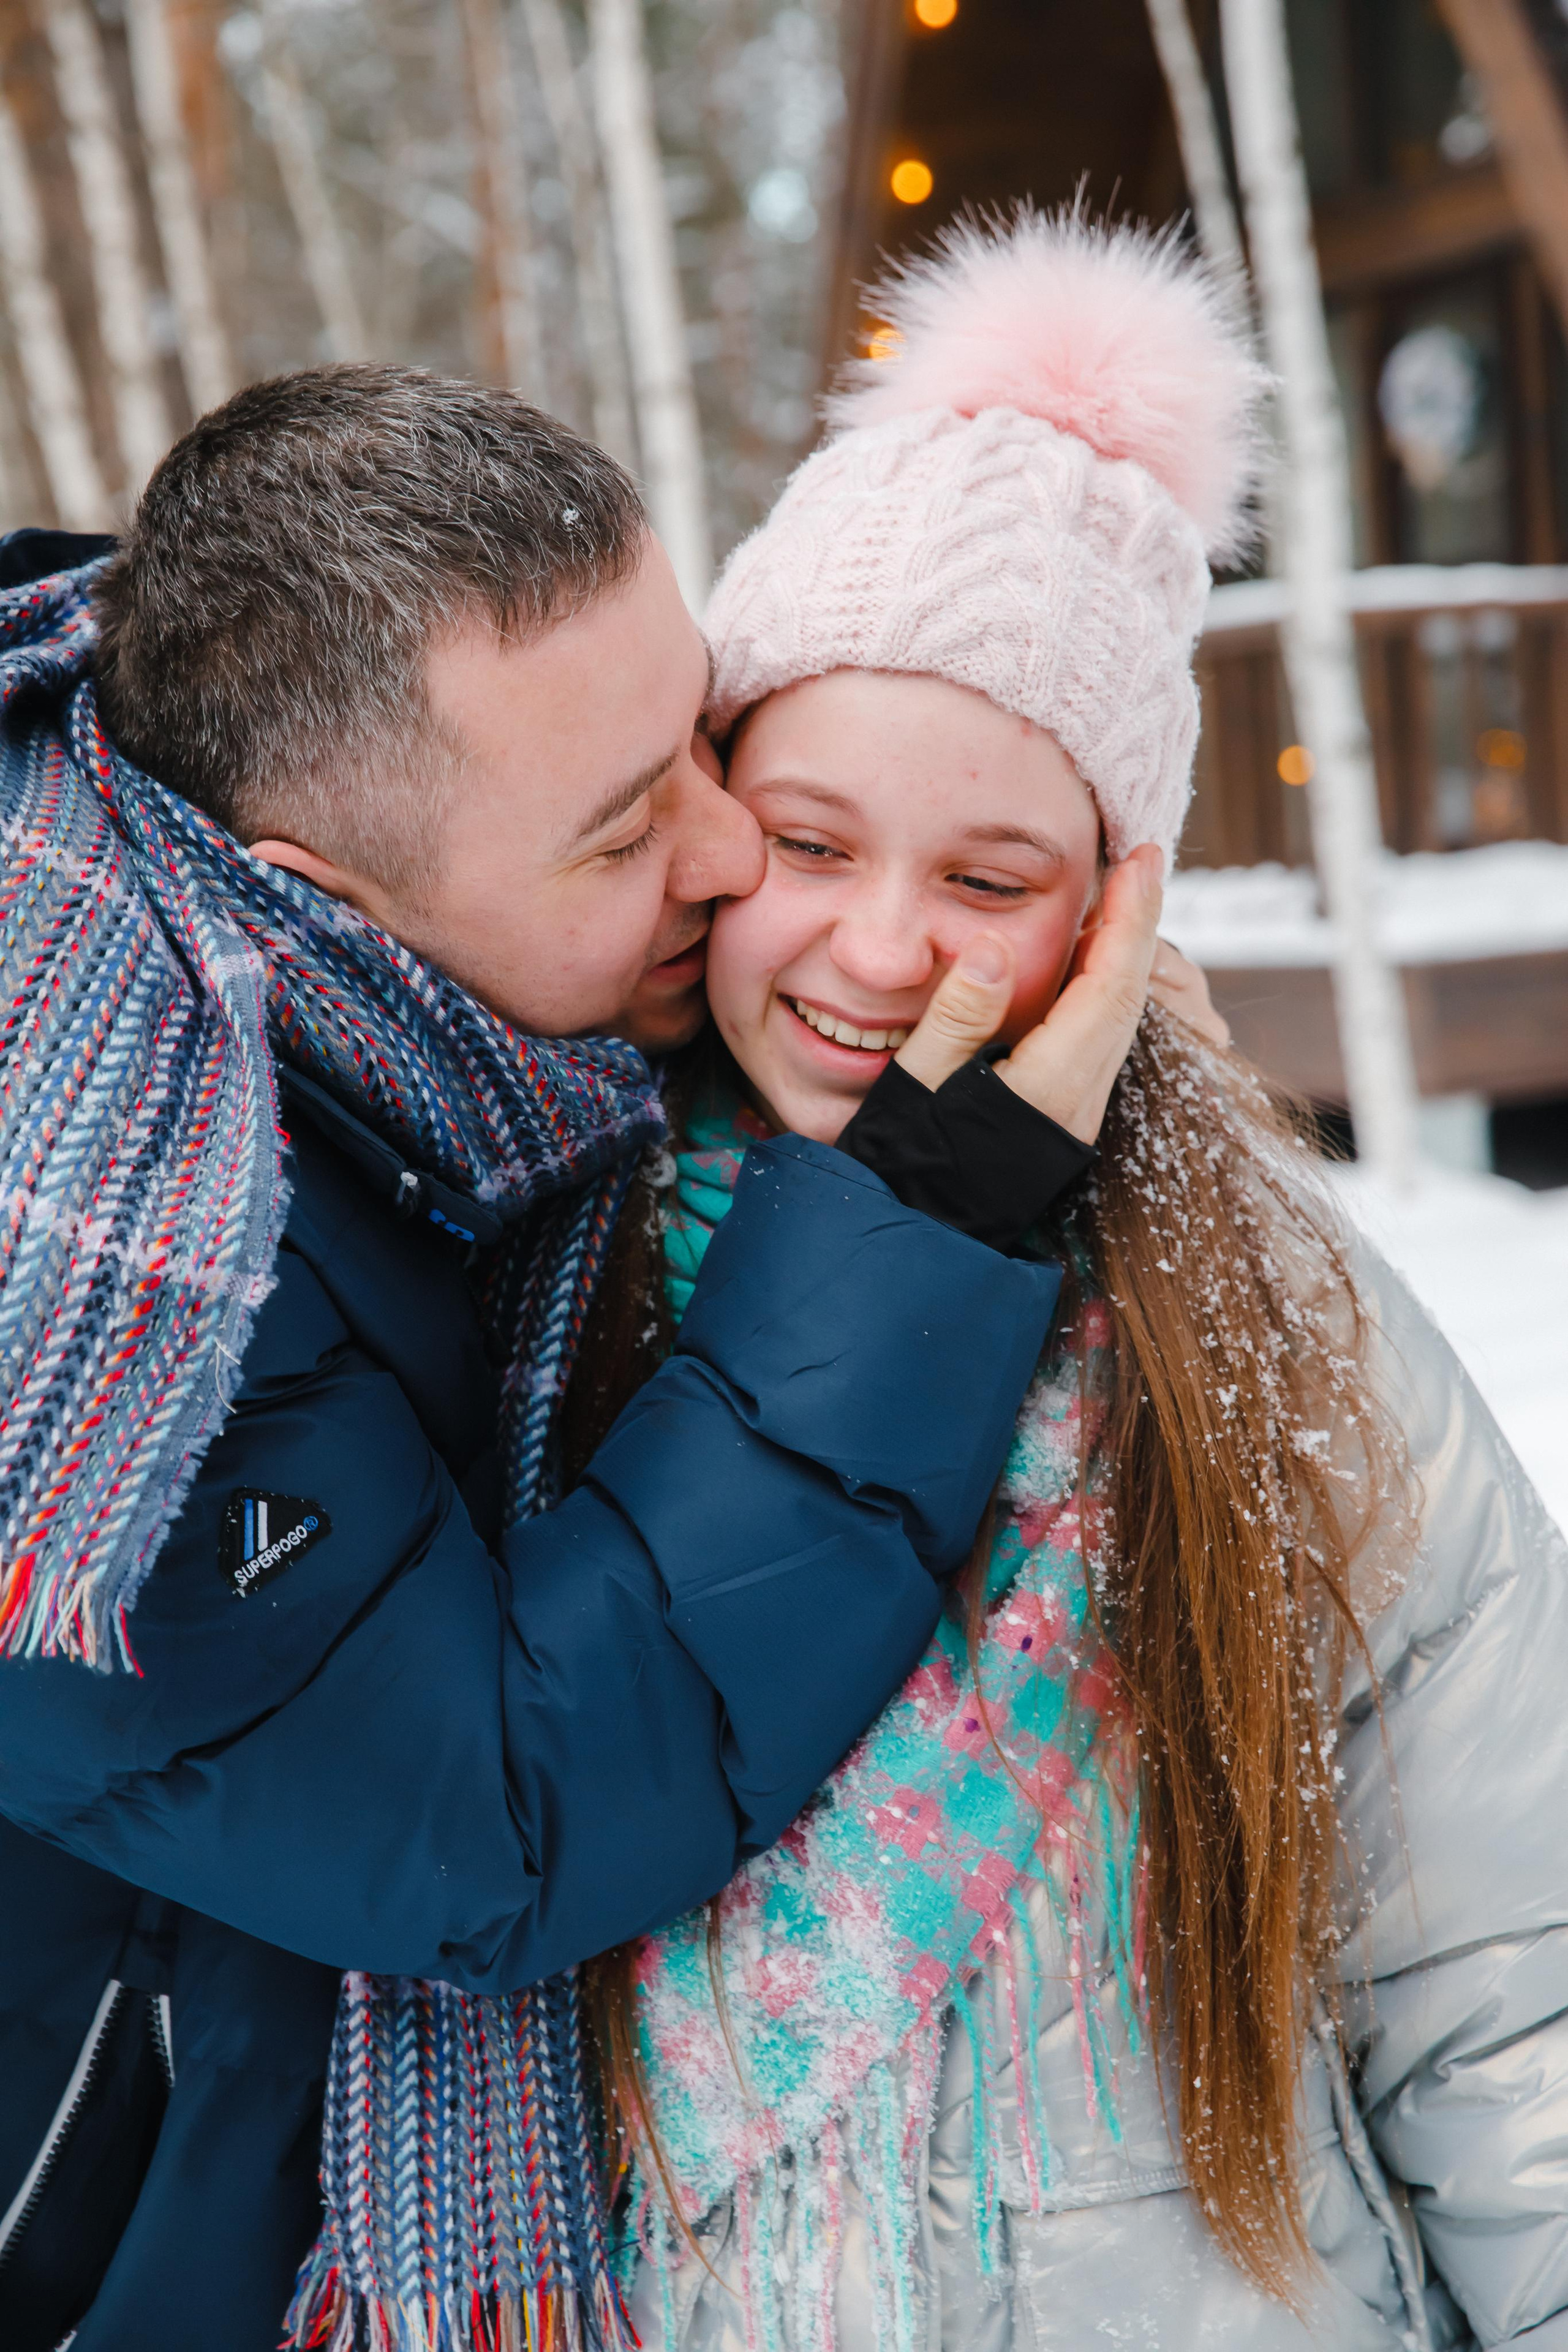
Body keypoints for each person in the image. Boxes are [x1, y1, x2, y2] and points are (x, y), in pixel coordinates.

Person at [0, 375, 1169, 2352]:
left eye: (700, 730)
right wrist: (925, 1221)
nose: (731, 854)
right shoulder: (84, 1276)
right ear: (314, 892)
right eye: (633, 829)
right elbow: (496, 1814)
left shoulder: (241, 838)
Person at [553, 213, 1566, 2351]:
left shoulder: (1265, 1317)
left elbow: (1512, 1975)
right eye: (810, 844)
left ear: (1114, 912)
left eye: (991, 878)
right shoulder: (555, 1264)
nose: (881, 948)